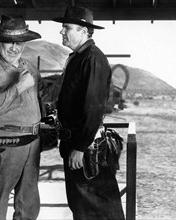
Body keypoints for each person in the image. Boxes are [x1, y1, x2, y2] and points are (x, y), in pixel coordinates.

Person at [52, 6, 125, 220]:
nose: (62, 32)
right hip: (77, 145)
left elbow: (93, 107)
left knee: (96, 211)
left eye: (67, 27)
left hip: (86, 150)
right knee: (82, 209)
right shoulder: (78, 57)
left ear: (84, 31)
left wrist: (81, 147)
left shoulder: (92, 59)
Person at [0, 14, 43, 220]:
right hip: (7, 144)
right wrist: (19, 87)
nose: (15, 47)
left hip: (33, 143)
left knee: (29, 207)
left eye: (19, 42)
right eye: (9, 42)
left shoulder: (29, 66)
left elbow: (42, 97)